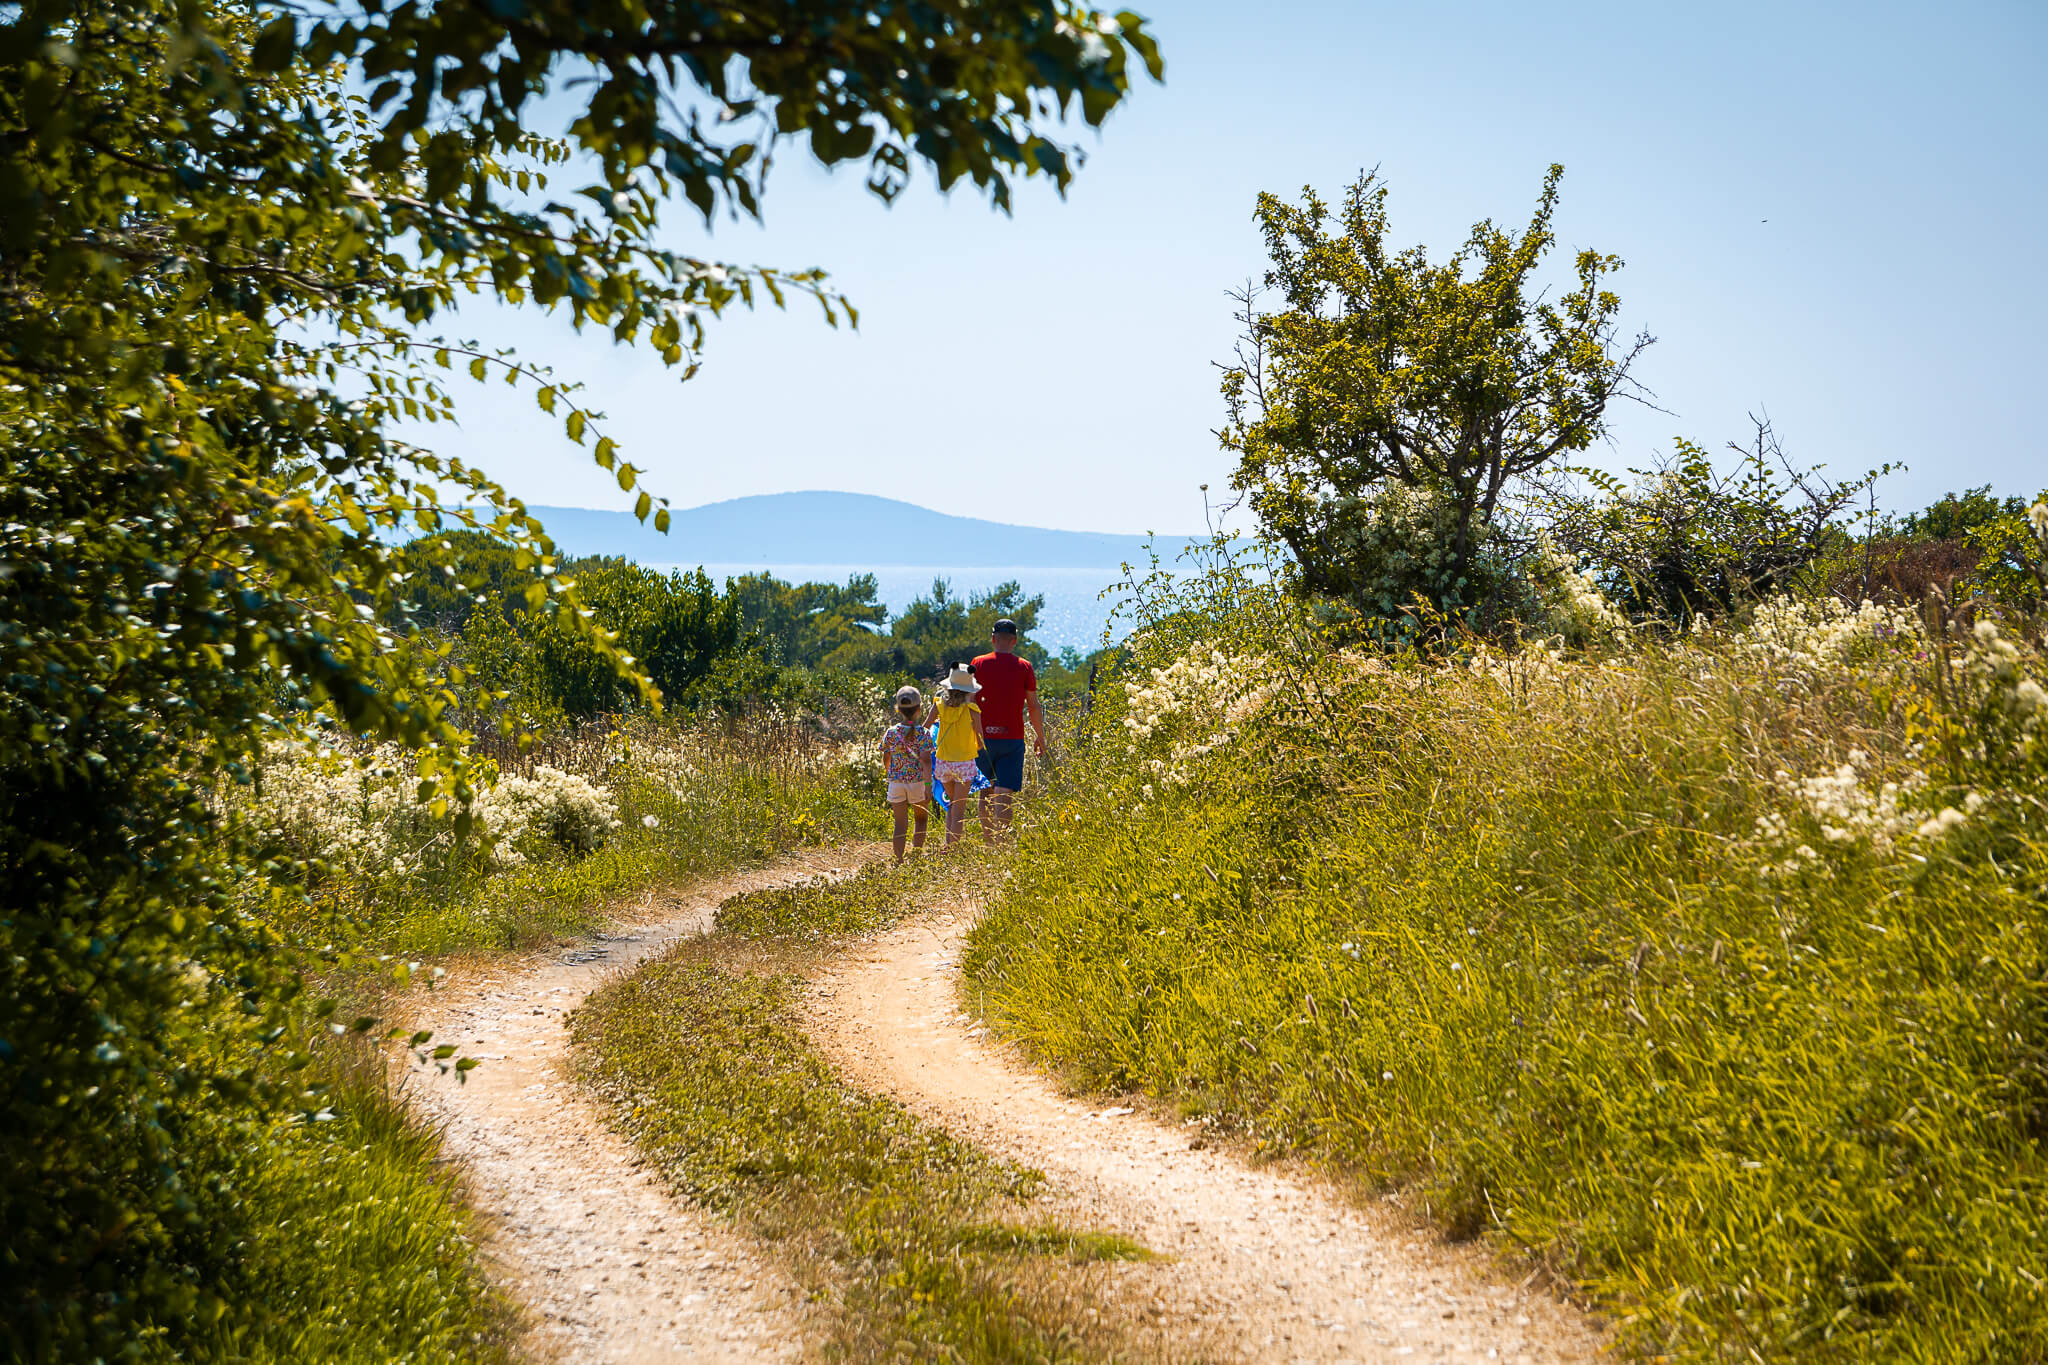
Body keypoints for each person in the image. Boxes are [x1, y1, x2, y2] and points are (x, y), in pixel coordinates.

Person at [971, 617, 1045, 838]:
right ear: (1014, 641)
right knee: (1004, 792)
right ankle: (1001, 844)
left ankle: (989, 842)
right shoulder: (1024, 667)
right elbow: (1033, 706)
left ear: (993, 639)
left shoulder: (978, 663)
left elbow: (969, 701)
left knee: (985, 792)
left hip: (983, 739)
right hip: (1012, 738)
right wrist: (1040, 736)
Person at [926, 663, 985, 846]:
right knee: (959, 808)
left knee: (952, 804)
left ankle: (947, 843)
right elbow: (981, 738)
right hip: (965, 763)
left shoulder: (938, 706)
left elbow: (925, 728)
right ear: (969, 690)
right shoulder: (972, 710)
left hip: (943, 762)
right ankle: (952, 849)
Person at [878, 684, 934, 863]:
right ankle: (916, 857)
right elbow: (926, 761)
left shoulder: (891, 733)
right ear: (919, 709)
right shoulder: (924, 734)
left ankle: (899, 859)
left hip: (896, 783)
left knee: (900, 824)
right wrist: (928, 786)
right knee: (921, 820)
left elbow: (886, 756)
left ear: (898, 709)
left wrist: (890, 773)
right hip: (917, 782)